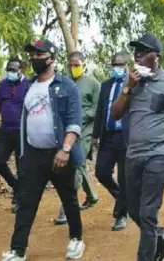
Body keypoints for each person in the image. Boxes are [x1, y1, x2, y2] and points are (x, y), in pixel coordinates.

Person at [1, 39, 85, 261]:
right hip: (33, 154)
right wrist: (23, 151)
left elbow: (74, 122)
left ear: (51, 58)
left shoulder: (67, 86)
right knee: (26, 202)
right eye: (32, 54)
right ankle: (18, 249)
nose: (34, 58)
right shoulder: (27, 86)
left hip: (59, 154)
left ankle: (76, 239)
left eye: (39, 54)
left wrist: (65, 149)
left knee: (69, 199)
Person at [110, 32, 164, 261]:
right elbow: (115, 114)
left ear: (156, 56)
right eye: (136, 51)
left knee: (147, 212)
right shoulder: (131, 82)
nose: (138, 55)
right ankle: (159, 235)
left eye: (144, 51)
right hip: (133, 153)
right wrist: (128, 87)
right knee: (134, 209)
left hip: (160, 153)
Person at [54, 51, 100, 224]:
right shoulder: (64, 84)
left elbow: (97, 108)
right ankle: (92, 195)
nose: (73, 68)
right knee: (78, 163)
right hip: (68, 130)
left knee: (75, 166)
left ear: (84, 64)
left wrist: (81, 116)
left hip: (86, 129)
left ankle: (65, 208)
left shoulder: (93, 84)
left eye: (77, 64)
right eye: (71, 65)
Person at [0, 58, 28, 213]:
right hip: (5, 130)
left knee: (22, 167)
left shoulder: (28, 85)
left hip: (23, 132)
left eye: (14, 70)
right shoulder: (2, 86)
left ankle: (20, 199)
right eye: (9, 69)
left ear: (21, 70)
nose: (11, 73)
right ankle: (15, 186)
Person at [91, 51, 129, 231]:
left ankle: (122, 214)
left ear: (127, 66)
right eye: (114, 65)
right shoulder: (105, 85)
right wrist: (95, 135)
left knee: (123, 176)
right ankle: (121, 197)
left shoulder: (133, 85)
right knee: (101, 172)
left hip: (126, 137)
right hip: (108, 136)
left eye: (120, 65)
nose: (117, 68)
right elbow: (100, 111)